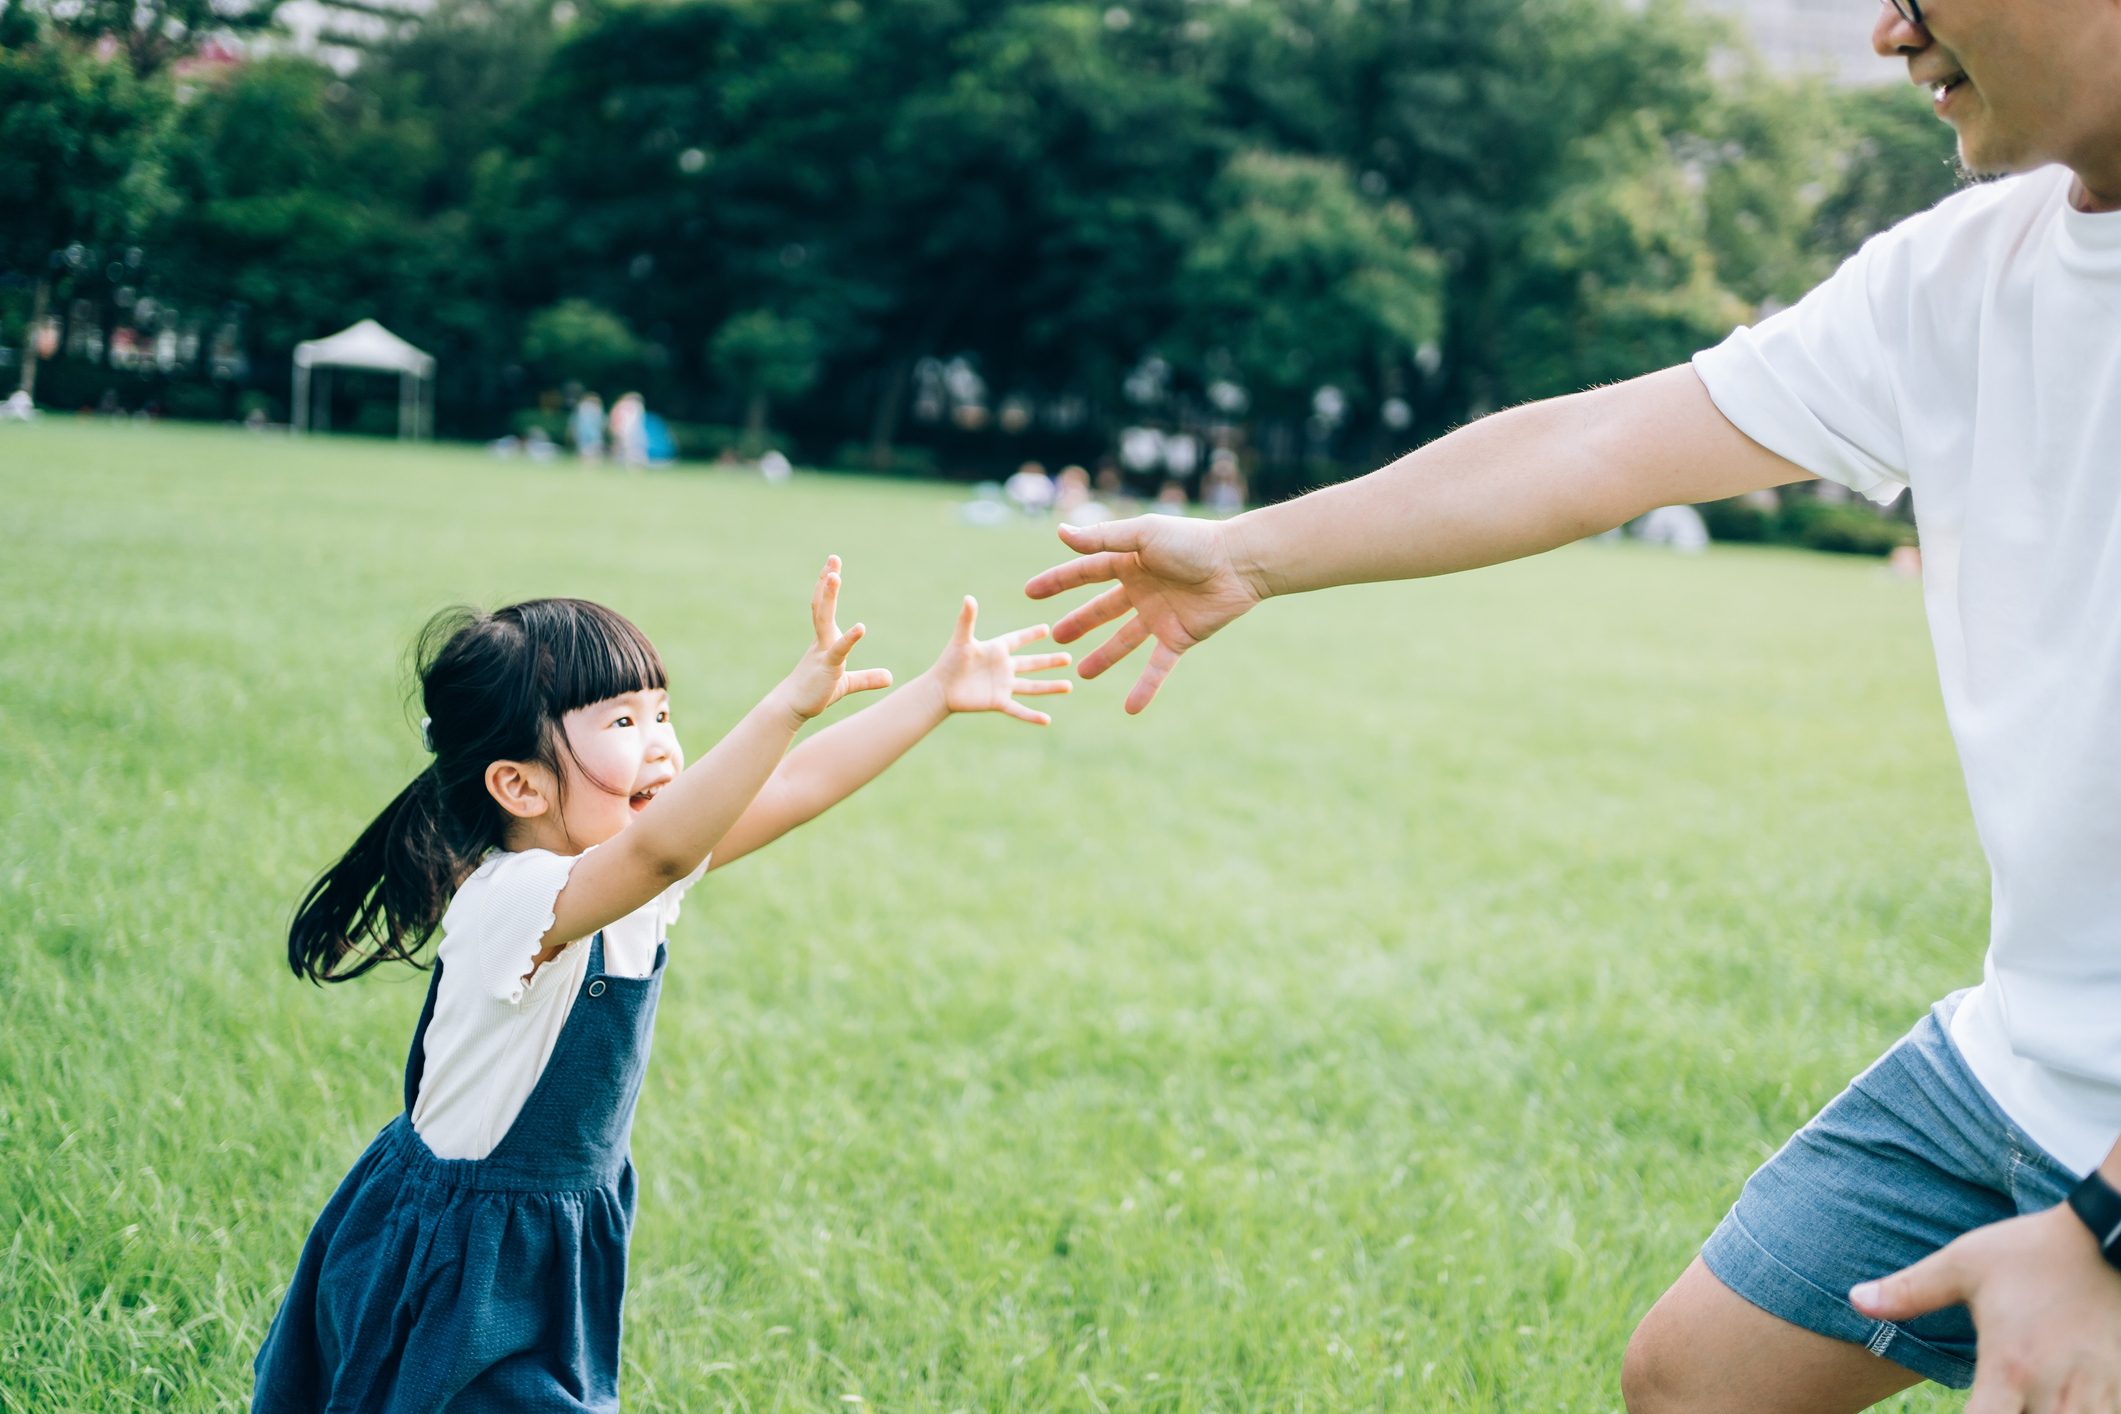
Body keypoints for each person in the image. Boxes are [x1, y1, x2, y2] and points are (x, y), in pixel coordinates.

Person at [1026, 2, 2121, 1407]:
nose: (1885, 33)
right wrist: (1245, 552)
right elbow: (1595, 445)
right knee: (1692, 1377)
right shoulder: (1963, 271)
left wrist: (2094, 1230)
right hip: (2022, 1056)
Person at [252, 571, 1071, 1410]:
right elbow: (665, 854)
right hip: (461, 1254)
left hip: (548, 1238)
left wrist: (936, 693)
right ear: (520, 786)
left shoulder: (623, 868)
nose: (660, 744)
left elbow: (787, 790)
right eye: (621, 721)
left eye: (661, 714)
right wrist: (785, 706)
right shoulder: (517, 897)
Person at [571, 393, 605, 464]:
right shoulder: (595, 409)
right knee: (590, 451)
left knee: (589, 451)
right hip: (588, 434)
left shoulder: (582, 408)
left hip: (588, 434)